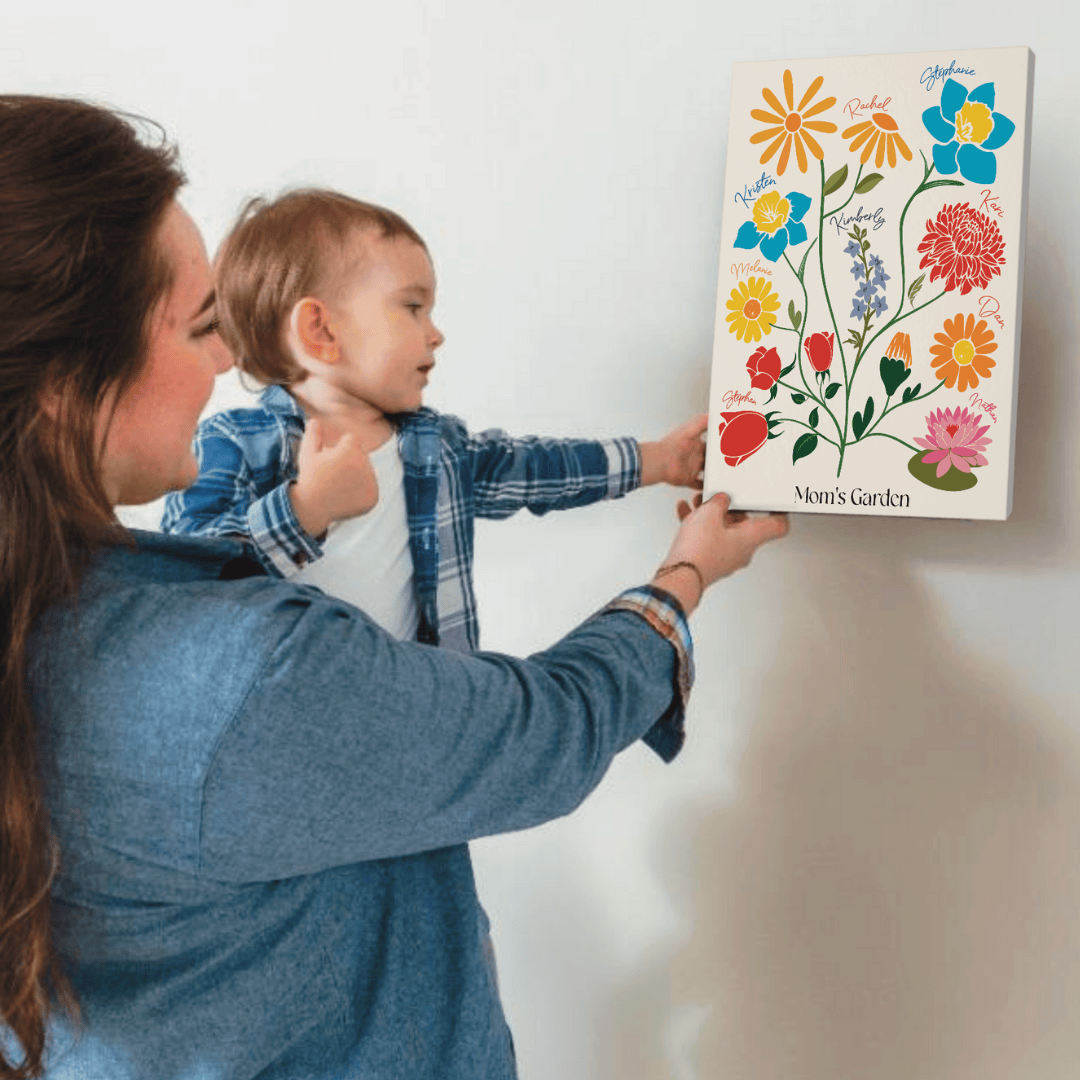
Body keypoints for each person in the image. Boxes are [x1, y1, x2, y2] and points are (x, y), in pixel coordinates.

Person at [0, 94, 788, 1080]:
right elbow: (540, 732)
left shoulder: (429, 452)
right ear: (65, 383)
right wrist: (685, 578)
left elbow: (524, 470)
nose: (223, 360)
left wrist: (656, 459)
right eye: (200, 324)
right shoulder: (236, 617)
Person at [161, 188, 708, 650]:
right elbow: (186, 580)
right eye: (413, 307)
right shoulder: (232, 442)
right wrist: (306, 509)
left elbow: (539, 469)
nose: (435, 332)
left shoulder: (435, 448)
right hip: (289, 741)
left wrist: (659, 459)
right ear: (321, 332)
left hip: (420, 722)